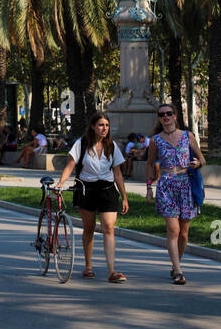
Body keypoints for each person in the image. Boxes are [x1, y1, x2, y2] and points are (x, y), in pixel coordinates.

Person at [56, 111, 130, 282]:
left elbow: (118, 174)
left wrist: (124, 196)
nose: (104, 128)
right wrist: (61, 182)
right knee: (88, 228)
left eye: (107, 125)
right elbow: (70, 165)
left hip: (107, 189)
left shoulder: (112, 146)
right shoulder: (81, 144)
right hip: (86, 188)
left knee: (108, 227)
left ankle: (111, 271)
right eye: (101, 125)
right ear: (92, 127)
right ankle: (88, 266)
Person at [148, 104, 204, 285]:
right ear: (159, 118)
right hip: (166, 185)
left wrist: (198, 163)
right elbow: (149, 164)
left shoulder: (188, 136)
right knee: (173, 230)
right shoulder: (155, 140)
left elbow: (202, 158)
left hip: (185, 184)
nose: (165, 117)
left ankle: (175, 264)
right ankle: (179, 271)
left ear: (175, 116)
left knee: (184, 233)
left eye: (169, 113)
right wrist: (149, 187)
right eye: (162, 114)